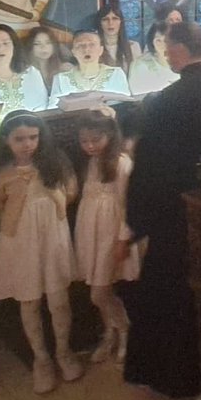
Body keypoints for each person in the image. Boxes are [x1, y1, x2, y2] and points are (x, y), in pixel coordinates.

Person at [124, 22, 201, 399]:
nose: (165, 54)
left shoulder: (167, 100)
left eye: (168, 47)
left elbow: (151, 164)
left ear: (179, 49)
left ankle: (177, 378)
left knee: (172, 293)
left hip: (174, 211)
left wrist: (137, 219)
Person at [0, 112, 80, 395]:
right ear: (6, 140)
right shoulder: (1, 174)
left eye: (33, 137)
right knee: (29, 301)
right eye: (19, 139)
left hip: (52, 235)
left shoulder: (55, 164)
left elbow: (71, 192)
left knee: (58, 300)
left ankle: (63, 351)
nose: (27, 144)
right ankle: (41, 358)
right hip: (20, 241)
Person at [75, 114, 138, 364]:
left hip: (109, 234)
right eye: (84, 141)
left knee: (99, 292)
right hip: (90, 230)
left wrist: (123, 239)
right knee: (99, 287)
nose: (90, 146)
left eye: (95, 139)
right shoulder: (91, 163)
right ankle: (110, 332)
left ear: (109, 135)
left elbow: (127, 206)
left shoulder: (121, 163)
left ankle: (124, 329)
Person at [48, 29, 131, 106]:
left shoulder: (115, 74)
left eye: (92, 44)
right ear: (73, 52)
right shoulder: (61, 79)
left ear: (101, 50)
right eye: (80, 45)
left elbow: (126, 104)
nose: (86, 49)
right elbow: (53, 110)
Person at [128, 23, 179, 96]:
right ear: (152, 42)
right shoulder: (140, 66)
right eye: (158, 41)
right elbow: (139, 95)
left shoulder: (188, 65)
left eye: (169, 40)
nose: (164, 45)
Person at [25, 27, 71, 98]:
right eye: (37, 44)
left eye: (48, 43)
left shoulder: (64, 69)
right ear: (30, 46)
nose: (43, 47)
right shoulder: (25, 72)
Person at [95, 5, 141, 73]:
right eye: (105, 19)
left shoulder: (133, 46)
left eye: (115, 18)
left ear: (121, 22)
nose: (110, 23)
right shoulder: (94, 48)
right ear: (100, 23)